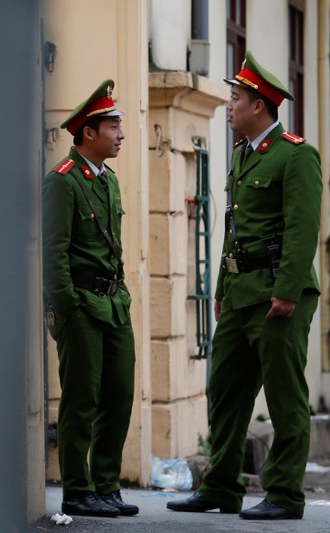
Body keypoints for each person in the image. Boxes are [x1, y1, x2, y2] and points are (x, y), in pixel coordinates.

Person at [167, 50, 323, 520]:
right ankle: (220, 487)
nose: (228, 105)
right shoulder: (241, 155)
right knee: (226, 391)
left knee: (284, 396)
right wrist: (220, 290)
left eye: (235, 98)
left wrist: (289, 291)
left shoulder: (296, 156)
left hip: (278, 293)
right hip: (239, 294)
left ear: (259, 106)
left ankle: (284, 494)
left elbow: (302, 228)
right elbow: (232, 229)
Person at [42, 79, 137, 518]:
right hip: (80, 305)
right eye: (113, 125)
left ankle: (106, 486)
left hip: (114, 303)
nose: (120, 133)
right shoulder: (62, 182)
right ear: (88, 133)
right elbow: (53, 252)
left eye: (119, 124)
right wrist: (66, 308)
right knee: (81, 400)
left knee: (118, 395)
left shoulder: (108, 182)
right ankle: (77, 490)